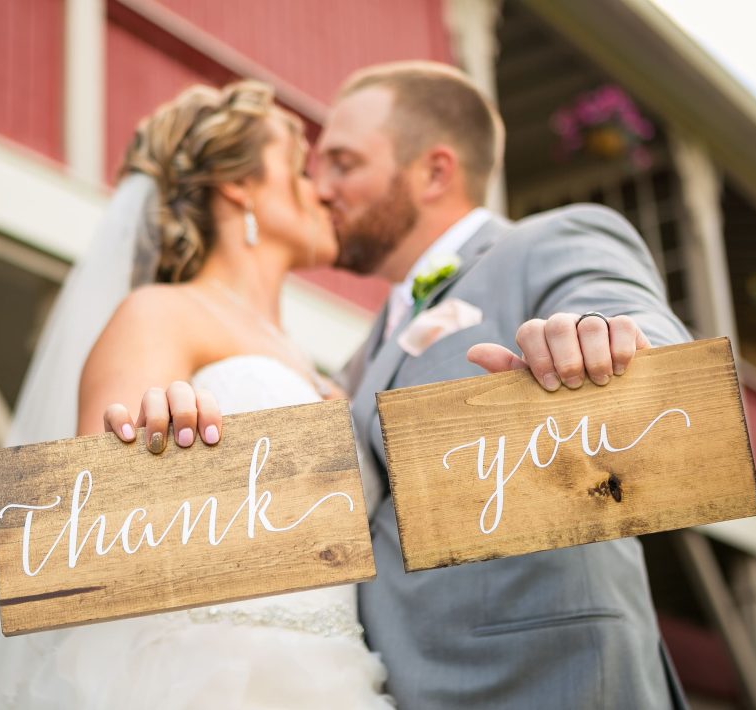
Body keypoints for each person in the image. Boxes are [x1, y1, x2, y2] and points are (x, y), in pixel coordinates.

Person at [124, 62, 691, 708]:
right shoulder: (355, 356)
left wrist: (598, 339)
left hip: (552, 682)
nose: (321, 185)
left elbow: (640, 329)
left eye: (343, 163)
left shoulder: (545, 242)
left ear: (434, 172)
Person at [0, 81, 393, 709]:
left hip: (340, 679)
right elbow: (83, 546)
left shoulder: (321, 370)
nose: (321, 190)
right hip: (201, 683)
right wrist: (151, 451)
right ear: (239, 187)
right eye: (300, 170)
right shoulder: (159, 315)